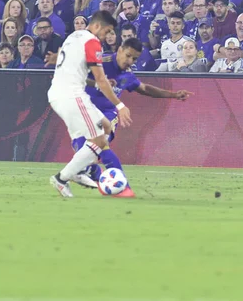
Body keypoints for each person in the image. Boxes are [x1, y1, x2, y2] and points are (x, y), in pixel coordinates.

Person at [80, 37, 193, 196]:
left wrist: (173, 94)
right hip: (84, 112)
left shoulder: (128, 76)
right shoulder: (100, 62)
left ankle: (123, 187)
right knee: (81, 152)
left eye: (134, 59)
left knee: (100, 142)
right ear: (119, 50)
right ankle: (97, 175)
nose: (130, 61)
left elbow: (145, 89)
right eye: (128, 56)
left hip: (107, 113)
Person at [47, 10, 130, 197]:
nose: (107, 36)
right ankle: (63, 177)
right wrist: (120, 105)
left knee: (106, 128)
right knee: (100, 140)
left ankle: (80, 170)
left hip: (58, 94)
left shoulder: (73, 36)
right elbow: (101, 79)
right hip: (72, 95)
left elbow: (75, 69)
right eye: (107, 31)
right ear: (98, 26)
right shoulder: (92, 42)